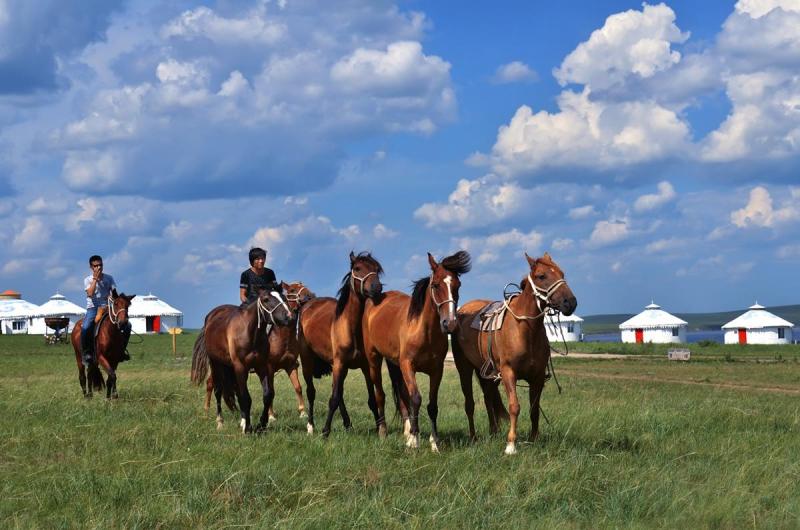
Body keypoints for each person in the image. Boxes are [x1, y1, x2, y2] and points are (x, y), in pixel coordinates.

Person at [81, 255, 131, 364]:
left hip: (107, 307)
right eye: (95, 266)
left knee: (128, 326)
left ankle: (122, 350)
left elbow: (114, 294)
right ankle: (87, 352)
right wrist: (95, 279)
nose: (98, 267)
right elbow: (90, 293)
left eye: (100, 265)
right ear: (91, 267)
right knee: (85, 327)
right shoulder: (87, 280)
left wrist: (115, 298)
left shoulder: (109, 278)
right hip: (93, 308)